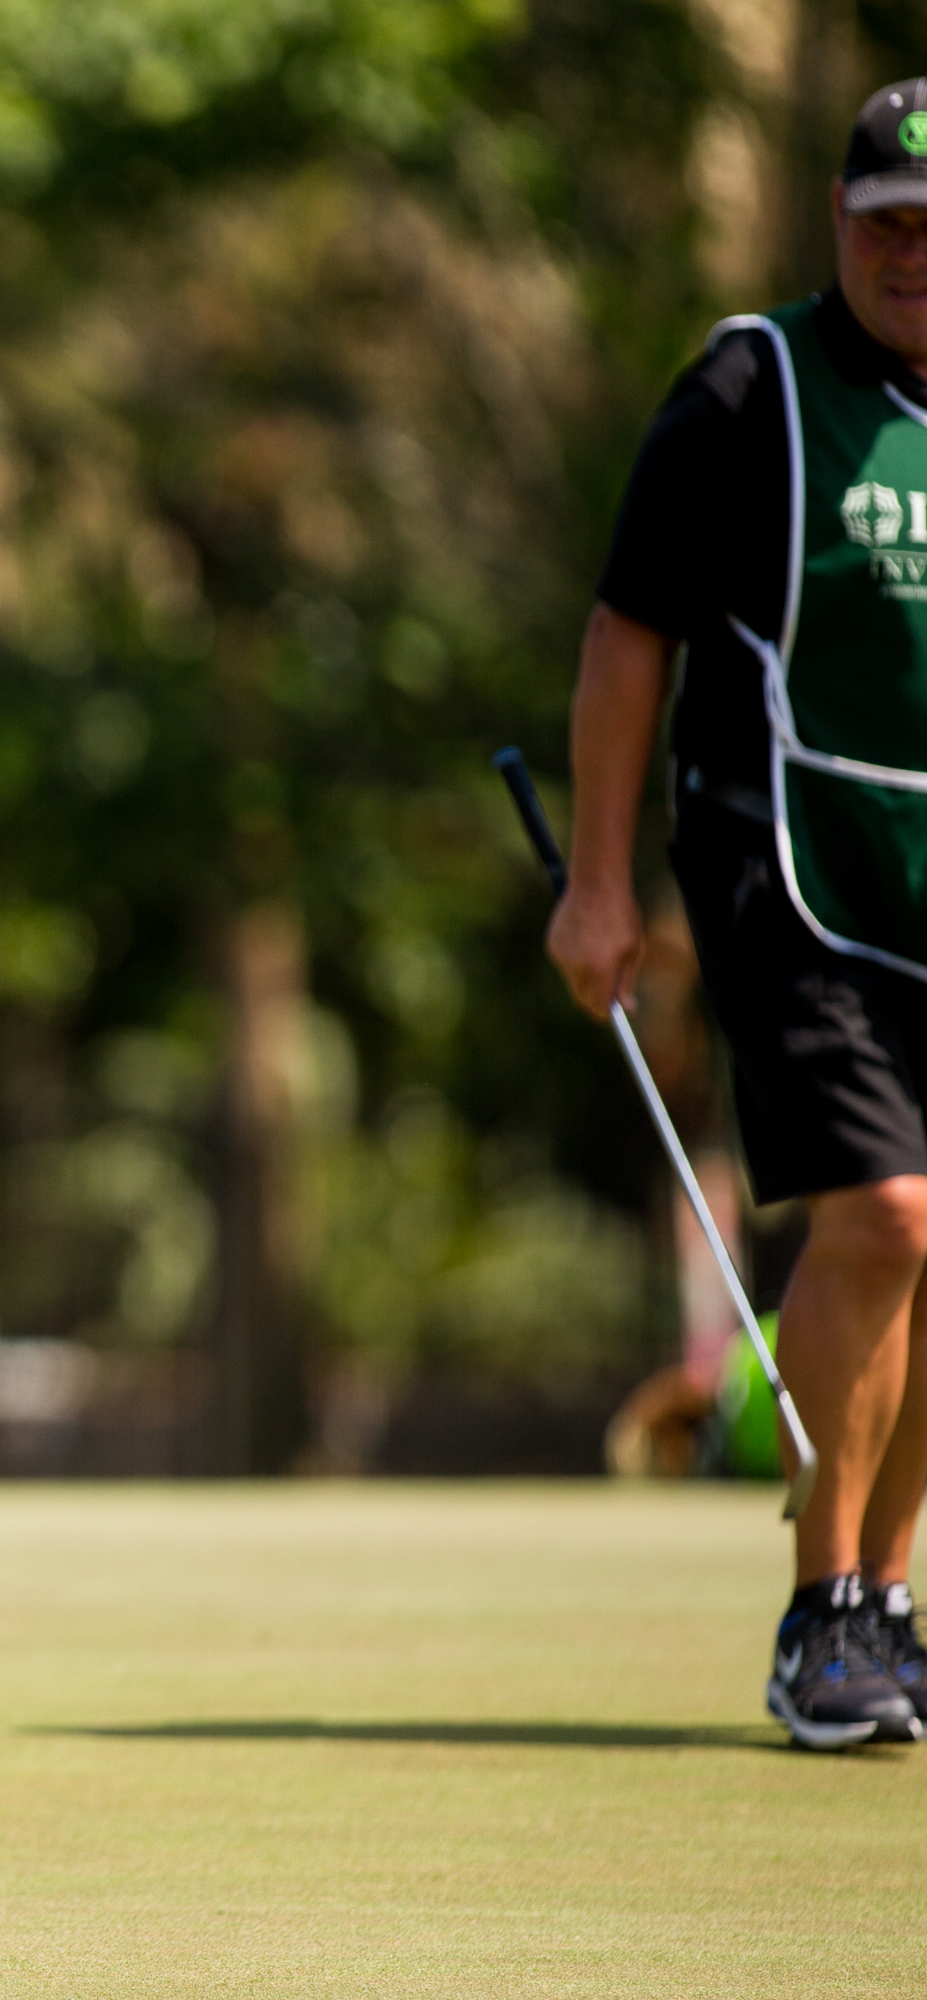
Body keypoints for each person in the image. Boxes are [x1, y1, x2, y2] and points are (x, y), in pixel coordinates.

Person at [555, 79, 927, 1751]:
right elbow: (632, 629)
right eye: (887, 227)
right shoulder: (749, 388)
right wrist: (600, 876)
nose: (914, 256)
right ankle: (820, 1610)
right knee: (892, 1221)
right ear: (838, 223)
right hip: (793, 871)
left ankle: (884, 1610)